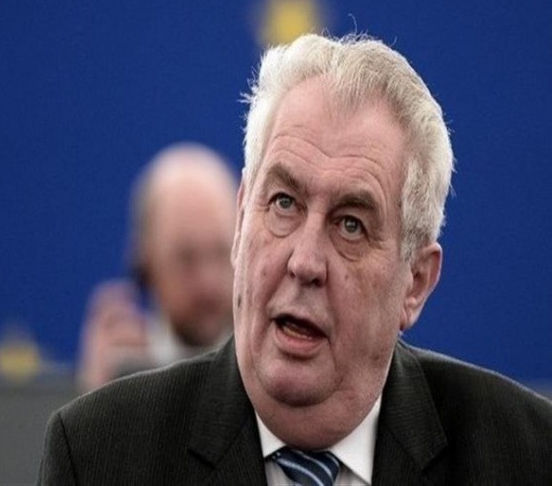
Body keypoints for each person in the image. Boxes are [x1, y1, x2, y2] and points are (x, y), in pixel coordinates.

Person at [39, 34, 552, 485]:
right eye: (284, 203)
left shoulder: (527, 457)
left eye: (351, 225)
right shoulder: (98, 456)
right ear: (242, 218)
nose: (304, 263)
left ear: (415, 282)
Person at [76, 143, 237, 390]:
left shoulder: (272, 374)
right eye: (186, 258)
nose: (208, 282)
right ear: (144, 264)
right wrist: (93, 395)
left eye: (221, 253)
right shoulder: (120, 374)